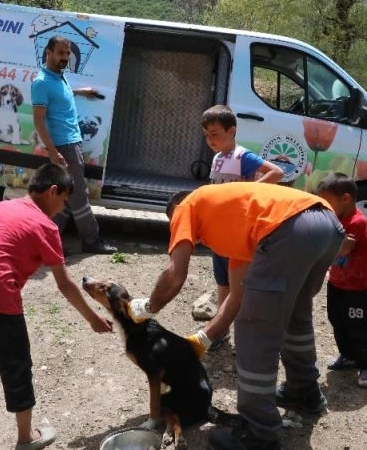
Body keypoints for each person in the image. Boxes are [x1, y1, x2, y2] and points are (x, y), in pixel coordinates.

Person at [129, 182, 345, 450]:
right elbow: (238, 295)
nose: (181, 234)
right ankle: (304, 392)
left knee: (254, 328)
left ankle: (259, 433)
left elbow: (175, 274)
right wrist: (204, 337)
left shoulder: (186, 205)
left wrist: (149, 306)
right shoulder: (237, 224)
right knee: (295, 315)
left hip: (290, 230)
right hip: (325, 225)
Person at [0, 163, 113, 450]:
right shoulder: (45, 226)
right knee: (16, 367)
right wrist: (92, 317)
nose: (61, 209)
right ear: (52, 191)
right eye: (62, 202)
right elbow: (64, 283)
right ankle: (25, 438)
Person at [201, 105, 284, 349]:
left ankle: (244, 338)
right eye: (206, 135)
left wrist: (249, 192)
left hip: (238, 234)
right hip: (219, 232)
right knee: (222, 282)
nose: (210, 139)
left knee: (239, 286)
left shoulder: (242, 156)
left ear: (232, 131)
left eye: (215, 133)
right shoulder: (217, 158)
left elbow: (276, 172)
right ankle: (221, 331)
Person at [31, 35, 117, 254]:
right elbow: (39, 120)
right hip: (64, 146)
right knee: (78, 194)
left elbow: (60, 96)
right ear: (48, 53)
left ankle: (48, 244)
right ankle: (91, 239)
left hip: (72, 143)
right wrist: (53, 151)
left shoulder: (60, 78)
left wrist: (81, 91)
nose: (65, 57)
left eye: (68, 53)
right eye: (60, 53)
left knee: (65, 196)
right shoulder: (41, 82)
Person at [317, 173, 367, 388]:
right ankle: (347, 355)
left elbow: (345, 247)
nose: (326, 206)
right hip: (337, 282)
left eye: (328, 201)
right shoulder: (338, 218)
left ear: (345, 198)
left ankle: (366, 365)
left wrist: (327, 238)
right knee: (337, 321)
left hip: (356, 286)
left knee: (358, 326)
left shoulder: (357, 221)